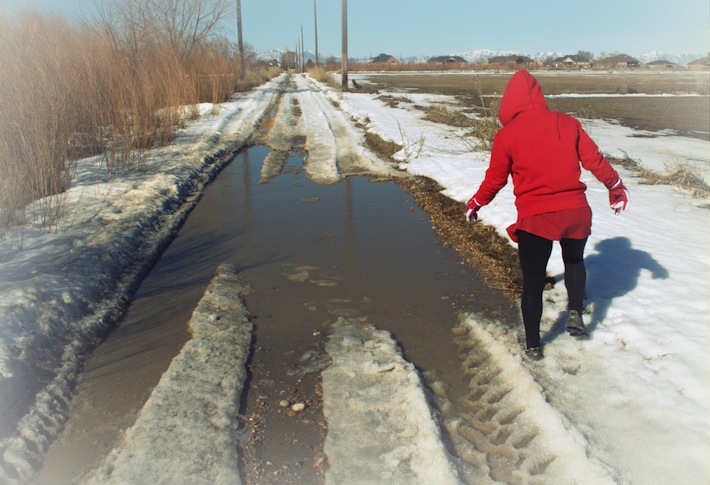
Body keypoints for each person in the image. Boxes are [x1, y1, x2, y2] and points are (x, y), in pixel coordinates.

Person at [465, 70, 629, 360]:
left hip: (536, 218)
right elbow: (595, 160)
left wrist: (476, 202)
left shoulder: (507, 136)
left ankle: (533, 344)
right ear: (539, 95)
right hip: (575, 212)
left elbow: (495, 179)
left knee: (532, 280)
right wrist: (615, 187)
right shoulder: (567, 123)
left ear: (508, 101)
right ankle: (575, 312)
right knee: (575, 260)